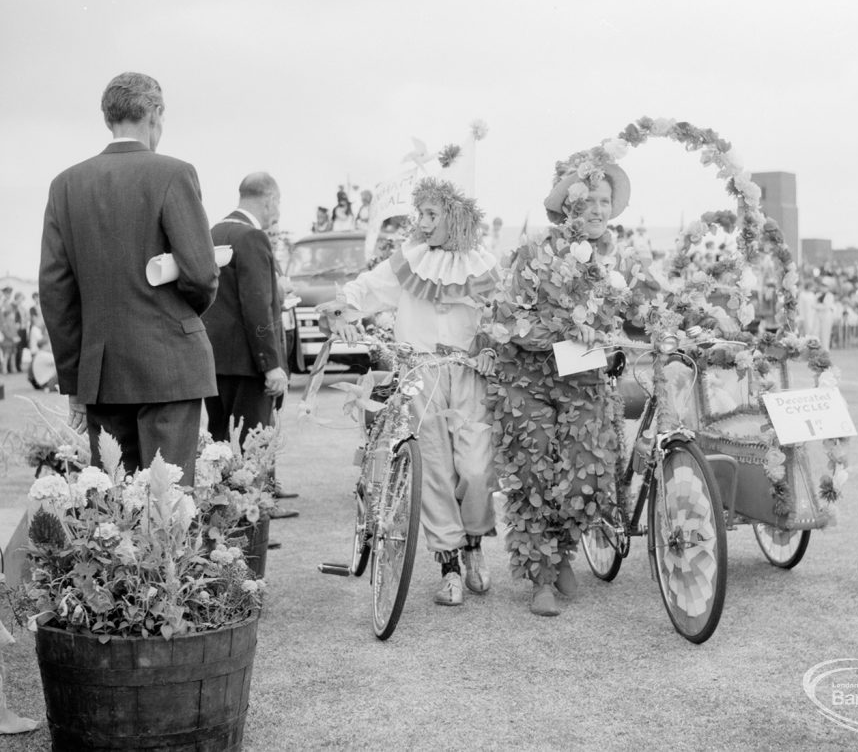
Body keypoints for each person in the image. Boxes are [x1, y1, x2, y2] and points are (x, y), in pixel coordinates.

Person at [486, 154, 655, 616]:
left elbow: (647, 313)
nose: (599, 209)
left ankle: (561, 548)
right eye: (589, 201)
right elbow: (504, 320)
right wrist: (556, 334)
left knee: (591, 476)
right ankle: (541, 576)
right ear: (569, 207)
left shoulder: (622, 259)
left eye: (605, 201)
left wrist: (689, 328)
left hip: (584, 380)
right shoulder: (535, 251)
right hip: (527, 380)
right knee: (533, 475)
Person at [318, 176, 499, 607]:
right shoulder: (409, 260)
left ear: (455, 217)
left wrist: (493, 343)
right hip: (422, 373)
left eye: (432, 214)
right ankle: (450, 563)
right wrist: (342, 307)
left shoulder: (485, 264)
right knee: (433, 466)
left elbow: (502, 316)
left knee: (475, 467)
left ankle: (474, 540)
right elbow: (367, 289)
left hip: (469, 373)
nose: (423, 222)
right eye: (422, 213)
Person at [39, 71, 218, 485]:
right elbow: (202, 273)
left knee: (117, 508)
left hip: (102, 374)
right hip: (170, 364)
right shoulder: (173, 173)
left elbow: (55, 291)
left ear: (108, 119)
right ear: (154, 114)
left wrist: (75, 382)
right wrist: (183, 318)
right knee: (168, 503)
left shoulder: (65, 185)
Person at [202, 174, 298, 519]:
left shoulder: (211, 233)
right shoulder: (252, 237)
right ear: (269, 199)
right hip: (248, 361)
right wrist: (271, 363)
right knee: (253, 442)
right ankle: (251, 521)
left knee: (219, 443)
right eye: (279, 202)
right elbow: (255, 303)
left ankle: (223, 518)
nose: (278, 210)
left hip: (213, 360)